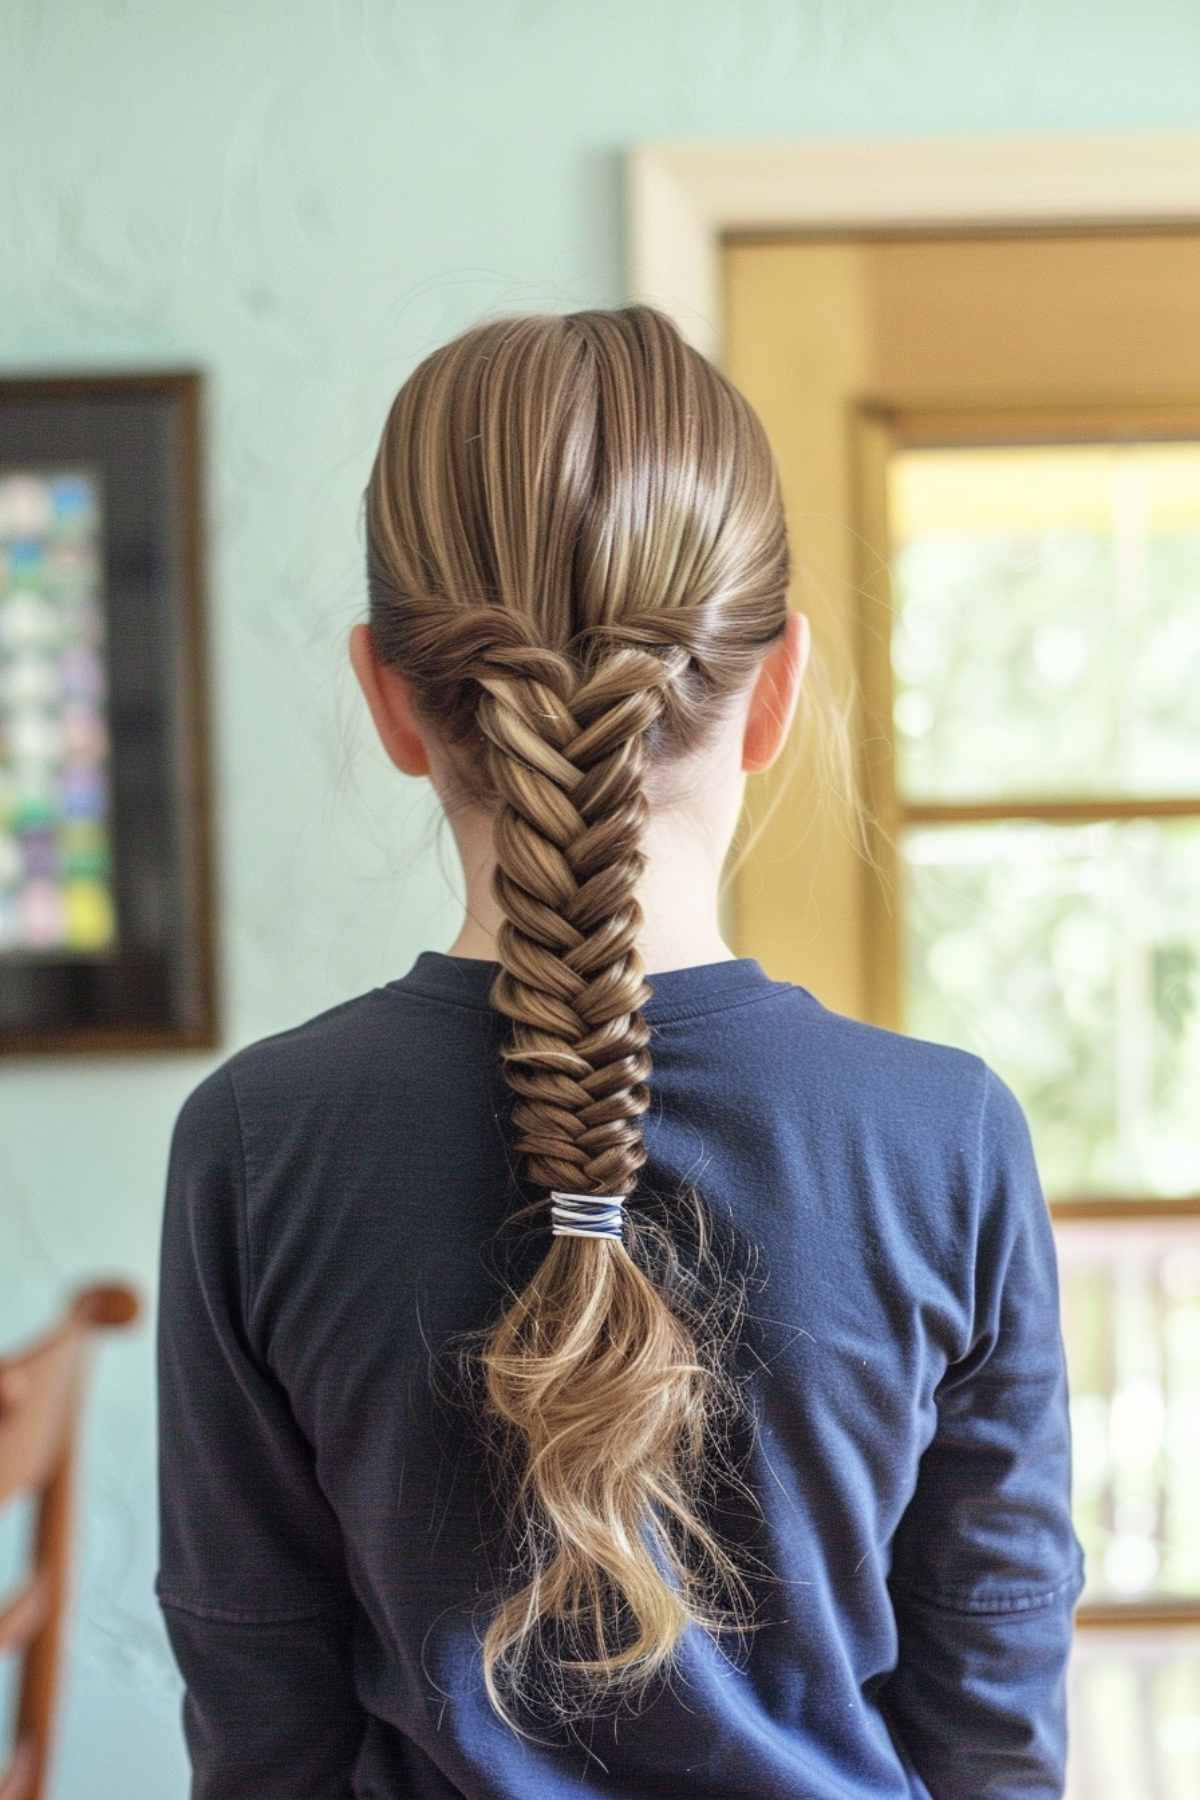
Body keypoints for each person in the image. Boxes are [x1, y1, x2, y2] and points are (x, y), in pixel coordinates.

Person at [154, 304, 1086, 1800]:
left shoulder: (260, 1143)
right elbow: (993, 1715)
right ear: (774, 689)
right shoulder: (945, 1140)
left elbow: (257, 1704)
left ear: (391, 699)